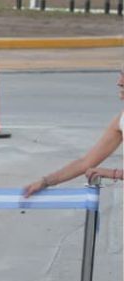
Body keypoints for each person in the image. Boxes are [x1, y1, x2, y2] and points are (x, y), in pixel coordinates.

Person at [23, 65, 124, 201]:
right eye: (121, 74)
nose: (119, 82)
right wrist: (45, 182)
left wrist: (113, 173)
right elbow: (85, 163)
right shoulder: (121, 119)